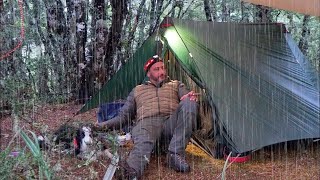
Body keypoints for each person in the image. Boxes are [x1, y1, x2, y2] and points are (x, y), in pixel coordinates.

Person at [98, 55, 198, 179]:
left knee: (190, 102)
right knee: (143, 141)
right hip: (147, 125)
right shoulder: (137, 90)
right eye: (156, 69)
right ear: (148, 73)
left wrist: (188, 97)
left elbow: (186, 98)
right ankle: (131, 172)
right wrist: (100, 126)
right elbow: (122, 117)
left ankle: (175, 154)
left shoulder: (176, 85)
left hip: (170, 127)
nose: (161, 72)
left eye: (162, 68)